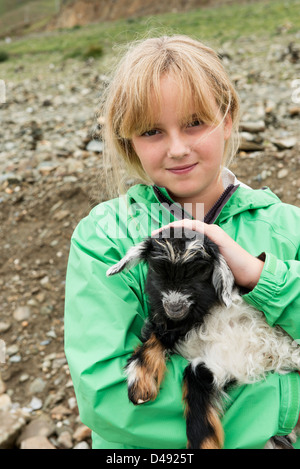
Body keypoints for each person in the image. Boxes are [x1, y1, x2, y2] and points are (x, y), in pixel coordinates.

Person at [64, 35, 300, 449]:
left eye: (195, 122)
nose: (177, 148)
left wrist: (262, 276)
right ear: (128, 142)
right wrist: (283, 404)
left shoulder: (284, 227)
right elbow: (106, 394)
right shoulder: (104, 238)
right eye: (152, 131)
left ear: (227, 118)